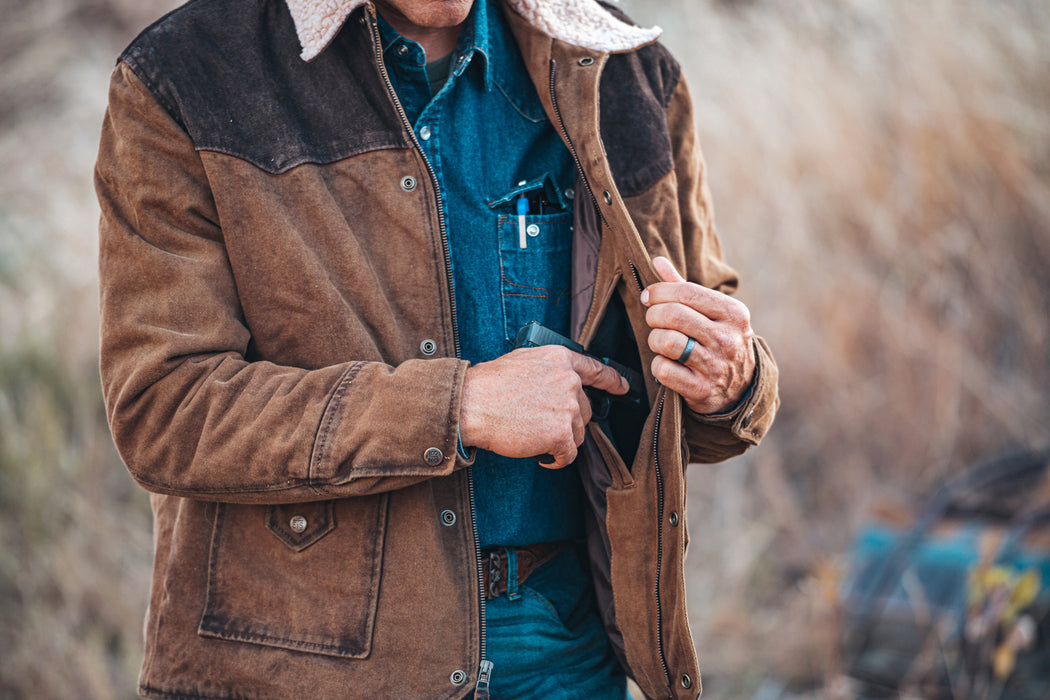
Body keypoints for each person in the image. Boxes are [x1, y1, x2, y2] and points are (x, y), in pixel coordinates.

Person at [95, 0, 779, 697]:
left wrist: (733, 381)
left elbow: (709, 366)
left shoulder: (622, 68)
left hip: (565, 651)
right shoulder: (183, 78)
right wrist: (459, 406)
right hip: (300, 658)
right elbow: (164, 410)